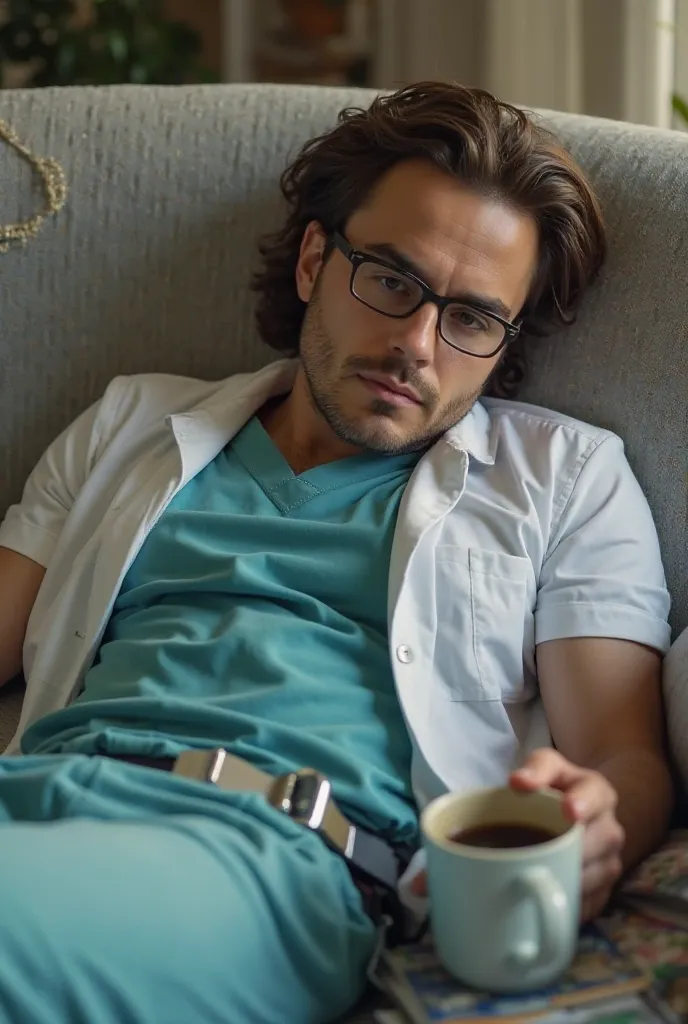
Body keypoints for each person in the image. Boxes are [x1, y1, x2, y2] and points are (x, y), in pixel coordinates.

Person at [0, 82, 673, 1023]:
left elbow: (625, 757)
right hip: (29, 799)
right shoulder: (132, 422)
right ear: (316, 258)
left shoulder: (565, 479)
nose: (415, 345)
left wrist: (600, 818)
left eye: (472, 318)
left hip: (268, 863)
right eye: (392, 280)